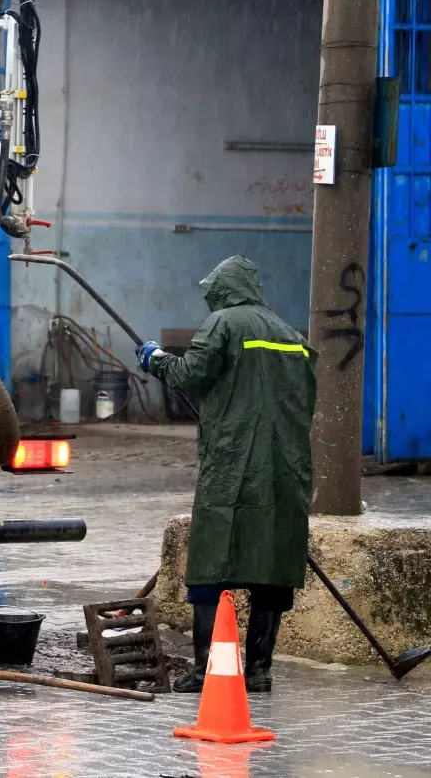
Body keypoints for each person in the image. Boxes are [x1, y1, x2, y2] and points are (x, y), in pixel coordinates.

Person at [136, 256, 316, 694]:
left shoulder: (223, 323)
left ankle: (206, 671)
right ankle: (258, 672)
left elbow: (190, 374)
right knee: (271, 569)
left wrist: (155, 359)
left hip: (233, 466)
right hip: (286, 470)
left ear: (223, 290)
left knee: (213, 569)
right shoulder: (290, 335)